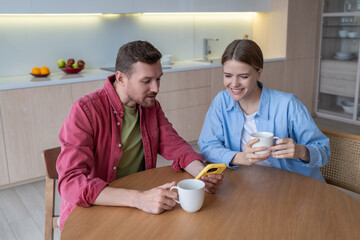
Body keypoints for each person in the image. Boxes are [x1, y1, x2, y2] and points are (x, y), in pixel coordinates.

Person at [56, 40, 223, 231]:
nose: (156, 88)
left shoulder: (150, 106)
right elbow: (71, 183)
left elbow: (175, 145)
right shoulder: (85, 110)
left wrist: (202, 175)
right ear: (121, 78)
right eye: (146, 81)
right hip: (95, 210)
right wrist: (139, 198)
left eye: (158, 79)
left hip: (136, 205)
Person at [198, 39, 330, 182]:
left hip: (293, 185)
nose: (234, 84)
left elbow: (323, 151)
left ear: (259, 73)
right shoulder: (222, 101)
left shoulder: (288, 104)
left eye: (243, 76)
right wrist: (240, 157)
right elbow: (207, 146)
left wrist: (301, 151)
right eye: (228, 75)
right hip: (247, 183)